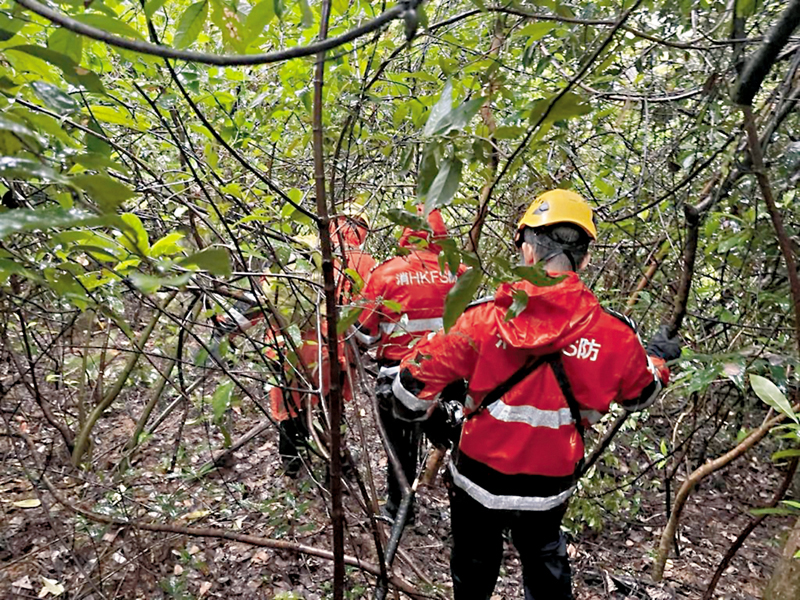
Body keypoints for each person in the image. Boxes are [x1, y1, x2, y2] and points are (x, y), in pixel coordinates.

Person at [390, 190, 681, 599]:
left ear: (527, 250)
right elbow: (641, 395)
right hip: (549, 487)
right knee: (544, 564)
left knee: (473, 571)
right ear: (585, 258)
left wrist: (441, 417)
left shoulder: (479, 320)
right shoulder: (615, 336)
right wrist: (657, 357)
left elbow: (407, 392)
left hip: (476, 479)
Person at [353, 206, 466, 519]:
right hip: (449, 376)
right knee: (460, 436)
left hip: (399, 377)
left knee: (400, 451)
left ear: (407, 232)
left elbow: (364, 336)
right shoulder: (459, 271)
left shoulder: (386, 273)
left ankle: (400, 509)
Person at [269, 212, 376, 476]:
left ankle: (293, 466)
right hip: (331, 352)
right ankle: (336, 464)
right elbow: (367, 313)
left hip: (286, 348)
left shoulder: (297, 255)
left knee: (290, 407)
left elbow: (263, 300)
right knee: (332, 406)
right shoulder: (365, 263)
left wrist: (226, 329)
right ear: (362, 232)